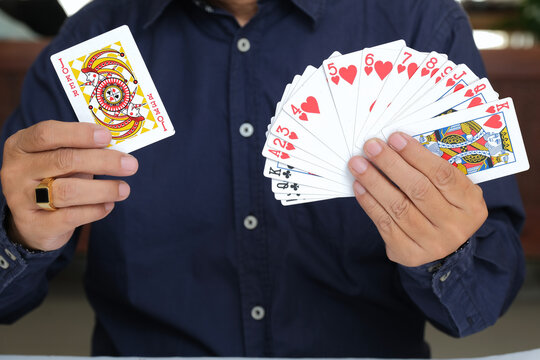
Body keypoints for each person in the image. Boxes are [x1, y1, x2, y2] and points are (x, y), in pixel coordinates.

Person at [0, 0, 526, 358]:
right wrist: (21, 234)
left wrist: (446, 254)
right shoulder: (92, 40)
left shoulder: (416, 20)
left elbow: (483, 294)